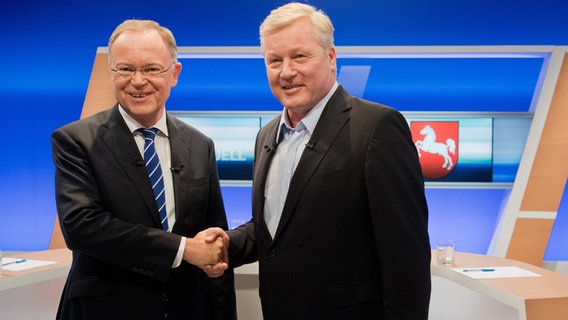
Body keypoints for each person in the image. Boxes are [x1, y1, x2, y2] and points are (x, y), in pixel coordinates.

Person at [225, 3, 431, 319]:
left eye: (299, 56)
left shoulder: (378, 128)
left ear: (331, 57)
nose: (286, 71)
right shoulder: (266, 136)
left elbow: (406, 258)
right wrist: (223, 245)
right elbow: (276, 229)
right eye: (274, 60)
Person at [51, 19, 236, 320]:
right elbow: (82, 227)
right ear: (111, 72)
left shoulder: (200, 145)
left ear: (174, 74)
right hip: (104, 310)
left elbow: (215, 243)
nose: (138, 81)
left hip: (184, 308)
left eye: (151, 69)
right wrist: (181, 249)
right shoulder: (75, 140)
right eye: (125, 69)